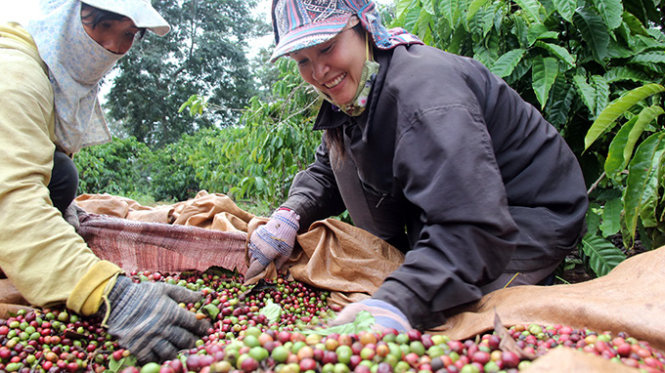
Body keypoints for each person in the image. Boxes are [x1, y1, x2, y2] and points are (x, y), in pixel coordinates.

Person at [247, 0, 589, 332]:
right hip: (448, 211)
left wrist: (400, 300)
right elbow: (328, 170)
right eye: (303, 60)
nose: (319, 72)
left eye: (327, 48)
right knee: (343, 156)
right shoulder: (357, 92)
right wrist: (289, 216)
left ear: (363, 27)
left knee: (461, 319)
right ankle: (412, 264)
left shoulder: (426, 95)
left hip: (522, 219)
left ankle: (427, 274)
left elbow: (473, 223)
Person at [0, 0, 210, 364]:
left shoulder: (50, 74)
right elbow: (11, 199)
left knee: (61, 173)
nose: (114, 46)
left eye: (128, 34)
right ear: (66, 17)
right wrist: (111, 292)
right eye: (101, 25)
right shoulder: (13, 76)